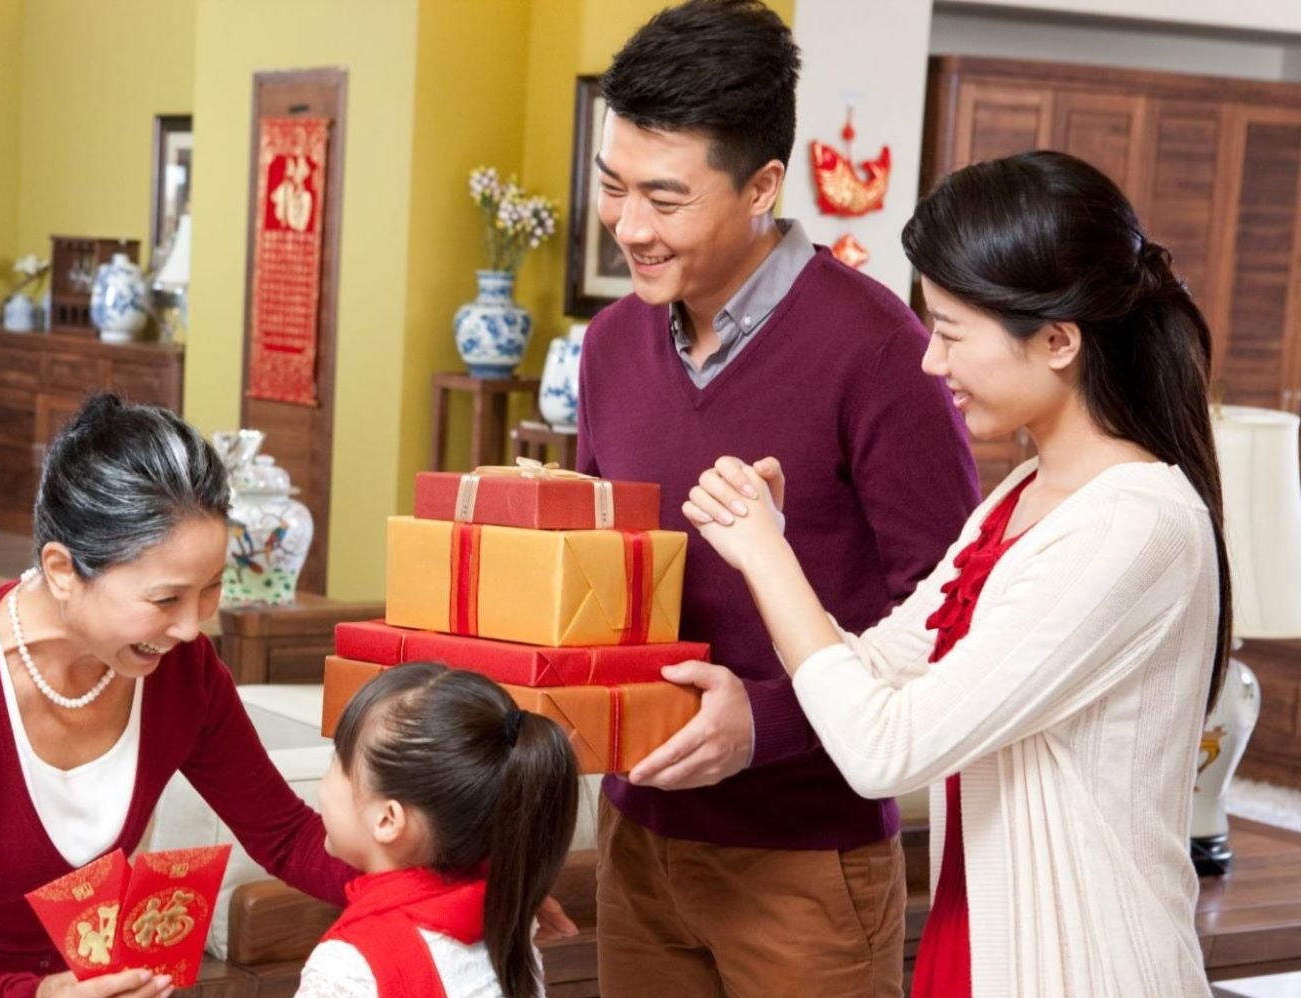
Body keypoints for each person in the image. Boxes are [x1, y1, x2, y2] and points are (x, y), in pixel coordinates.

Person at [682, 150, 1228, 997]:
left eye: (950, 333)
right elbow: (879, 669)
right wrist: (774, 550)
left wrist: (766, 554)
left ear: (1056, 341)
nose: (932, 365)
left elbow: (883, 750)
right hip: (975, 943)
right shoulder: (1020, 498)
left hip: (1082, 970)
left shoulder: (1137, 526)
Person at [573, 1, 979, 993]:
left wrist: (767, 724)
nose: (631, 226)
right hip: (632, 839)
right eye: (613, 186)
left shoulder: (883, 352)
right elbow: (595, 576)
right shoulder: (610, 346)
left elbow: (952, 621)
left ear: (763, 185)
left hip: (807, 859)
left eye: (666, 199)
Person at [0, 394, 358, 997]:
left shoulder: (182, 672)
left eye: (210, 589)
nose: (190, 627)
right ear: (64, 570)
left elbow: (287, 836)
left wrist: (433, 888)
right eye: (165, 599)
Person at [296, 663, 580, 998]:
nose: (325, 780)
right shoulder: (510, 923)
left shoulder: (346, 968)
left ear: (387, 819)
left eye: (338, 761)